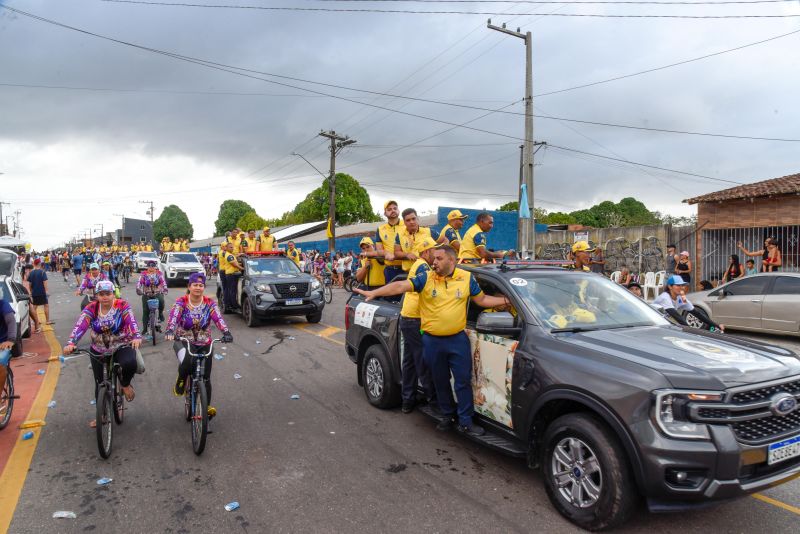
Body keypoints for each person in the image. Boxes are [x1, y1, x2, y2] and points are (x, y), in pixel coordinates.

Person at [355, 245, 510, 436]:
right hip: (432, 341)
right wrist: (375, 293)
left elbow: (483, 300)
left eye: (438, 258)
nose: (433, 262)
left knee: (462, 382)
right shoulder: (426, 278)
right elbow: (400, 286)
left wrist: (506, 300)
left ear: (451, 261)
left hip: (457, 340)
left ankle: (466, 421)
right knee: (440, 381)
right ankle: (447, 416)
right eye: (434, 258)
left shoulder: (467, 278)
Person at [63, 280, 142, 425]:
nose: (105, 297)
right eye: (101, 294)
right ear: (96, 295)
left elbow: (131, 321)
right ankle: (102, 415)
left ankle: (125, 384)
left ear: (113, 294)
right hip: (98, 348)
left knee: (130, 363)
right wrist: (71, 342)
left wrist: (136, 336)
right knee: (99, 383)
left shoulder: (122, 305)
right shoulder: (91, 308)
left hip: (121, 345)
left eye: (108, 294)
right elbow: (81, 325)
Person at [165, 273, 233, 420]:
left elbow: (218, 318)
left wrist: (226, 332)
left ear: (204, 287)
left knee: (206, 377)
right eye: (195, 285)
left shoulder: (210, 303)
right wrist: (170, 330)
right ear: (189, 287)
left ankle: (206, 406)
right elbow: (174, 317)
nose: (198, 287)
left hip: (204, 342)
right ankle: (182, 379)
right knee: (187, 361)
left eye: (200, 285)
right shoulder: (181, 302)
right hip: (183, 340)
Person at [398, 238, 437, 414]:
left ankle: (408, 400)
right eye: (434, 251)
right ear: (426, 252)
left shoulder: (419, 265)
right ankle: (434, 402)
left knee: (410, 361)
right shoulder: (423, 267)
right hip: (415, 319)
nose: (436, 255)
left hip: (408, 318)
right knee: (422, 361)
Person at [653, 275, 724, 332]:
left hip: (663, 322)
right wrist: (690, 330)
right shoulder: (665, 297)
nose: (681, 288)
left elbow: (697, 314)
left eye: (682, 285)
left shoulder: (680, 298)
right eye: (678, 285)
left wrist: (716, 325)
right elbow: (677, 316)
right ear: (670, 286)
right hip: (652, 322)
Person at [394, 208, 447, 273]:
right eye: (408, 220)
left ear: (417, 219)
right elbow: (396, 253)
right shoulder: (399, 235)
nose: (411, 222)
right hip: (409, 272)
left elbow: (445, 240)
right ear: (404, 222)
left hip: (429, 271)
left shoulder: (429, 231)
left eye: (413, 219)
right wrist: (407, 255)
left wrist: (441, 254)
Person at [374, 200, 404, 283]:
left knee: (408, 295)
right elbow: (379, 250)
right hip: (390, 270)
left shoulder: (407, 224)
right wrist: (386, 253)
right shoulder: (380, 229)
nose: (393, 210)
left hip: (408, 267)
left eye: (395, 208)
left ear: (398, 210)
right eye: (389, 209)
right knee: (391, 295)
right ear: (385, 213)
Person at [136, 260, 168, 335]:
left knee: (161, 301)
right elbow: (139, 283)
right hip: (146, 294)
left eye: (153, 266)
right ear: (147, 267)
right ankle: (144, 328)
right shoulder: (143, 274)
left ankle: (160, 314)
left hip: (157, 293)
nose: (151, 268)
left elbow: (163, 282)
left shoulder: (159, 274)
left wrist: (165, 289)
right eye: (150, 266)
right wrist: (138, 289)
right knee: (145, 311)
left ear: (155, 267)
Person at [25, 259, 51, 332]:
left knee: (34, 307)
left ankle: (36, 321)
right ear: (39, 264)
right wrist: (46, 291)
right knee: (46, 305)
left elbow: (29, 284)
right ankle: (47, 320)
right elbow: (45, 282)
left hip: (34, 292)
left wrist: (31, 291)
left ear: (34, 264)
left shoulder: (32, 273)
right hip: (42, 292)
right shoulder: (42, 272)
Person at [0, 298, 17, 389]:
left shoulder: (3, 304)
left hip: (2, 344)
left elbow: (11, 321)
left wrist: (10, 340)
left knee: (1, 364)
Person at [222, 242, 244, 312]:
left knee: (232, 290)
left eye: (232, 247)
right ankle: (234, 306)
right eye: (230, 247)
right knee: (233, 291)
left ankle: (232, 305)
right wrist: (243, 269)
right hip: (231, 275)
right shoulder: (229, 256)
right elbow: (235, 265)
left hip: (231, 274)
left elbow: (236, 260)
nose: (232, 248)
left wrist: (240, 254)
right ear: (227, 248)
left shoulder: (230, 255)